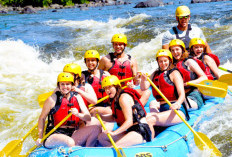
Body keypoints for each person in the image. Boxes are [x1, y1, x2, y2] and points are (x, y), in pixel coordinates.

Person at [36, 72, 98, 148]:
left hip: (72, 133)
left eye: (68, 84)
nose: (65, 87)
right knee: (70, 142)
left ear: (72, 85)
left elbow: (88, 118)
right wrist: (40, 137)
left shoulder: (77, 97)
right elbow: (42, 118)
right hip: (54, 134)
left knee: (96, 129)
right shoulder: (52, 99)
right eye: (62, 84)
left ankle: (87, 151)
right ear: (58, 85)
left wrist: (78, 114)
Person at [97, 75, 153, 147]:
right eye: (105, 88)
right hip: (130, 130)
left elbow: (129, 122)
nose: (107, 91)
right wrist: (101, 117)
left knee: (112, 148)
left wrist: (114, 133)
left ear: (116, 86)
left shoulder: (123, 98)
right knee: (102, 137)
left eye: (109, 87)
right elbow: (115, 118)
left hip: (140, 130)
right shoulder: (115, 99)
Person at [140, 49, 188, 130]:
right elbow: (144, 87)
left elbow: (182, 94)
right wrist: (143, 79)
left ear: (170, 60)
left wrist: (178, 103)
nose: (163, 64)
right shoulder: (155, 73)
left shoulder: (174, 73)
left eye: (165, 61)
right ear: (158, 62)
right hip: (163, 109)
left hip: (177, 111)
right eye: (160, 61)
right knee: (141, 118)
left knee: (150, 120)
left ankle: (152, 141)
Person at [98, 33, 151, 106]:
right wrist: (105, 77)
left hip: (127, 90)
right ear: (113, 45)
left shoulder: (132, 61)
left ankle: (136, 109)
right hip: (112, 93)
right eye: (115, 44)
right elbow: (97, 77)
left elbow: (136, 82)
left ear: (125, 45)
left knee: (147, 92)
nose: (118, 47)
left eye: (120, 44)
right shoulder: (105, 60)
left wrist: (137, 79)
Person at [169, 39, 207, 110]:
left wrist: (187, 83)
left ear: (182, 50)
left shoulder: (189, 62)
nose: (175, 52)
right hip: (178, 96)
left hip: (193, 94)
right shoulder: (170, 65)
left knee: (183, 104)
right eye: (172, 50)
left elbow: (204, 77)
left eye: (177, 49)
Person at [82, 50, 111, 115]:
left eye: (93, 60)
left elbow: (114, 90)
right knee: (108, 111)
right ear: (85, 62)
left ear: (98, 61)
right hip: (91, 107)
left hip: (106, 105)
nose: (90, 63)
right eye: (88, 60)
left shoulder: (105, 74)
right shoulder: (82, 76)